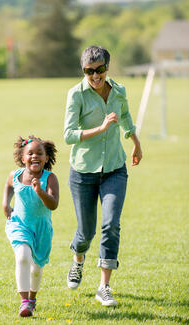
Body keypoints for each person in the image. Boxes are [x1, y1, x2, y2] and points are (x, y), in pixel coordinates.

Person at [64, 45, 142, 306]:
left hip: (114, 169)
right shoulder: (76, 95)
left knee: (110, 224)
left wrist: (136, 143)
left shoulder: (118, 91)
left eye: (99, 70)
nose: (95, 76)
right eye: (89, 71)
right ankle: (78, 260)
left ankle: (104, 286)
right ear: (83, 70)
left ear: (107, 67)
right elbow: (69, 135)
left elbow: (126, 117)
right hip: (83, 172)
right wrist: (100, 127)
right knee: (85, 233)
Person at [2, 135, 59, 317]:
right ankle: (24, 302)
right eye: (30, 153)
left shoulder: (50, 178)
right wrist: (5, 204)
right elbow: (9, 185)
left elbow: (53, 204)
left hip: (41, 229)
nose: (35, 156)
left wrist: (40, 191)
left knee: (36, 268)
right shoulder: (16, 175)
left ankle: (32, 299)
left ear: (46, 158)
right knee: (23, 257)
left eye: (39, 153)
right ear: (22, 158)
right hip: (19, 225)